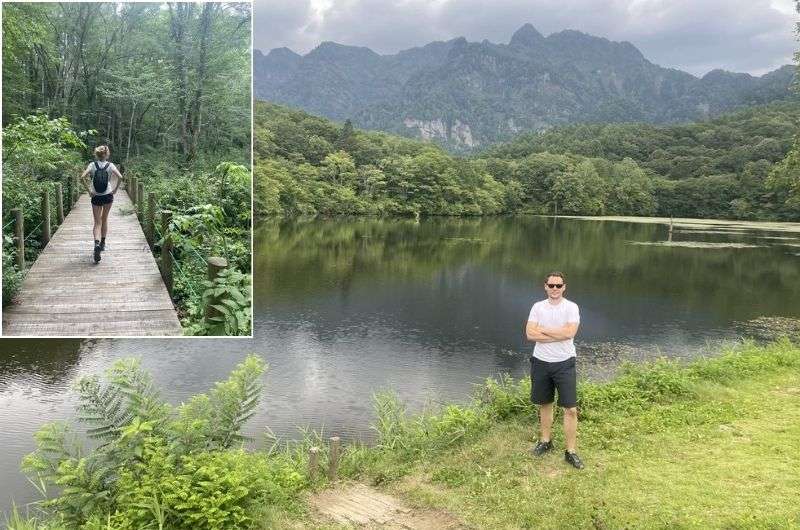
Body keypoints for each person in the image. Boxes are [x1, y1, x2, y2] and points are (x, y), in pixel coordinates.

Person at [525, 271, 584, 469]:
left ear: (564, 287)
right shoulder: (537, 307)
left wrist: (542, 330)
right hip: (541, 361)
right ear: (545, 286)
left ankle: (571, 451)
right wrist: (558, 335)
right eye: (551, 285)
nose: (555, 289)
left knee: (571, 409)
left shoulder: (571, 307)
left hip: (564, 362)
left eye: (558, 286)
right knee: (545, 404)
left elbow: (570, 333)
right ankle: (545, 441)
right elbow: (529, 334)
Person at [80, 145, 122, 263]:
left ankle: (96, 243)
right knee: (105, 219)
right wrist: (115, 190)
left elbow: (82, 177)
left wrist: (89, 191)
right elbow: (120, 177)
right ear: (107, 154)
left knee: (97, 222)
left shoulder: (92, 165)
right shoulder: (111, 165)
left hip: (96, 196)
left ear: (96, 154)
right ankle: (103, 244)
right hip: (108, 194)